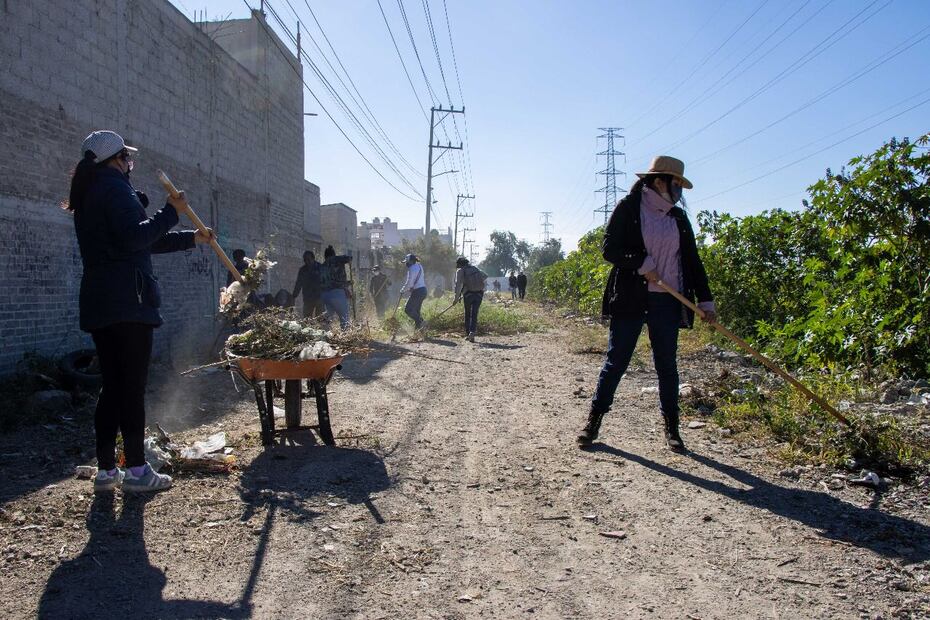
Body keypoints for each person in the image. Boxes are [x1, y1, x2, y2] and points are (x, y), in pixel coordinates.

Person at [67, 130, 215, 493]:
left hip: (103, 302)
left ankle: (106, 471)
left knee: (113, 387)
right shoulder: (115, 189)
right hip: (128, 303)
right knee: (131, 388)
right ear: (115, 160)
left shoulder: (91, 194)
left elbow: (139, 242)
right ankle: (136, 470)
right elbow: (137, 237)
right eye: (127, 157)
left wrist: (191, 238)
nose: (130, 164)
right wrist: (171, 211)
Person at [577, 156, 716, 452]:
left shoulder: (678, 218)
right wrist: (641, 262)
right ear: (658, 181)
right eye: (675, 183)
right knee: (617, 360)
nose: (679, 190)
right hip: (631, 297)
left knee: (666, 364)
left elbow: (693, 261)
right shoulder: (629, 208)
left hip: (668, 300)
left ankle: (672, 429)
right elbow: (610, 249)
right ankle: (593, 421)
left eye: (681, 185)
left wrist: (706, 301)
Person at [452, 257, 487, 342]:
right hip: (479, 294)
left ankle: (468, 333)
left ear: (460, 264)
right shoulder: (475, 268)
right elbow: (485, 276)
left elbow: (458, 285)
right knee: (474, 314)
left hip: (468, 294)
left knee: (468, 314)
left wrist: (456, 299)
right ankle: (472, 332)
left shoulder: (460, 271)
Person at [320, 245, 352, 328]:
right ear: (333, 254)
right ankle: (346, 334)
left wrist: (347, 283)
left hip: (325, 295)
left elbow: (330, 281)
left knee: (327, 319)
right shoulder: (337, 259)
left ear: (325, 256)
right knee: (344, 320)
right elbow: (349, 258)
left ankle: (323, 333)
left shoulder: (323, 266)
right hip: (338, 294)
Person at [292, 250, 324, 319]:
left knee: (320, 319)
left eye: (308, 259)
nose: (307, 261)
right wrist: (294, 295)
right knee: (307, 319)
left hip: (319, 297)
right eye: (305, 260)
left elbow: (326, 281)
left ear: (313, 258)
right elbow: (298, 283)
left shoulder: (321, 268)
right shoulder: (303, 270)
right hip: (308, 298)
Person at [401, 253, 428, 329]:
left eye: (407, 262)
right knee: (416, 311)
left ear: (411, 261)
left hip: (417, 292)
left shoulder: (412, 268)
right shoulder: (419, 266)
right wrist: (411, 287)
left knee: (408, 310)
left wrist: (403, 289)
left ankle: (422, 321)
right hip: (423, 290)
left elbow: (410, 282)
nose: (406, 264)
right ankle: (419, 329)